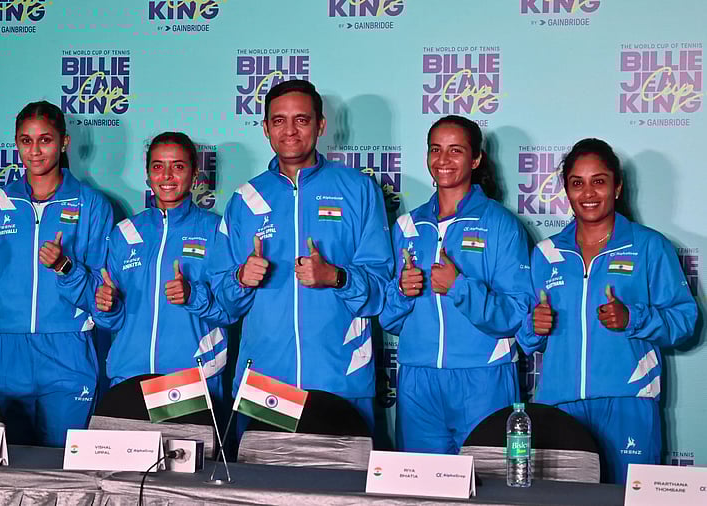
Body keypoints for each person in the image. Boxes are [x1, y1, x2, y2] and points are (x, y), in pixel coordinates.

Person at [209, 80, 393, 432]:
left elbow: (381, 290)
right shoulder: (245, 199)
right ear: (266, 128)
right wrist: (240, 279)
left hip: (341, 377)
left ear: (321, 125)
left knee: (340, 470)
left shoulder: (358, 189)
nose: (290, 130)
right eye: (279, 121)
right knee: (259, 471)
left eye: (302, 120)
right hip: (265, 382)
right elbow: (222, 302)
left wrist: (336, 277)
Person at [517, 138, 697, 484]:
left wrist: (632, 318)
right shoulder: (546, 253)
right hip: (560, 405)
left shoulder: (649, 246)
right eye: (577, 183)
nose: (588, 193)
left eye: (598, 181)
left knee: (627, 499)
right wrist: (533, 327)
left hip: (628, 402)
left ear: (617, 186)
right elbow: (527, 339)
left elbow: (685, 320)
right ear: (566, 190)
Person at [379, 115, 533, 454]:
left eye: (455, 150)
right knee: (419, 480)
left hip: (483, 377)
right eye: (435, 149)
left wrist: (459, 287)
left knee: (490, 481)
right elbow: (389, 319)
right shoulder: (407, 226)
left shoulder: (500, 224)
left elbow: (517, 313)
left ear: (475, 159)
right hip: (418, 380)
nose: (443, 160)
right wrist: (402, 292)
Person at [0, 100, 113, 447]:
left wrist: (65, 267)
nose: (35, 151)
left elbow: (101, 295)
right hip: (6, 351)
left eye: (45, 140)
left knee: (64, 465)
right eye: (26, 141)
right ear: (16, 144)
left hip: (67, 349)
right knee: (7, 464)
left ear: (64, 142)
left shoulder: (92, 205)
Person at [88, 132, 233, 399]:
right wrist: (107, 306)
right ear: (147, 174)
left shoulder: (216, 230)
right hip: (130, 377)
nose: (167, 176)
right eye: (157, 166)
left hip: (193, 379)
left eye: (178, 166)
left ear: (195, 173)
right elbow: (111, 320)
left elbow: (230, 310)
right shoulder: (126, 233)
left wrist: (192, 295)